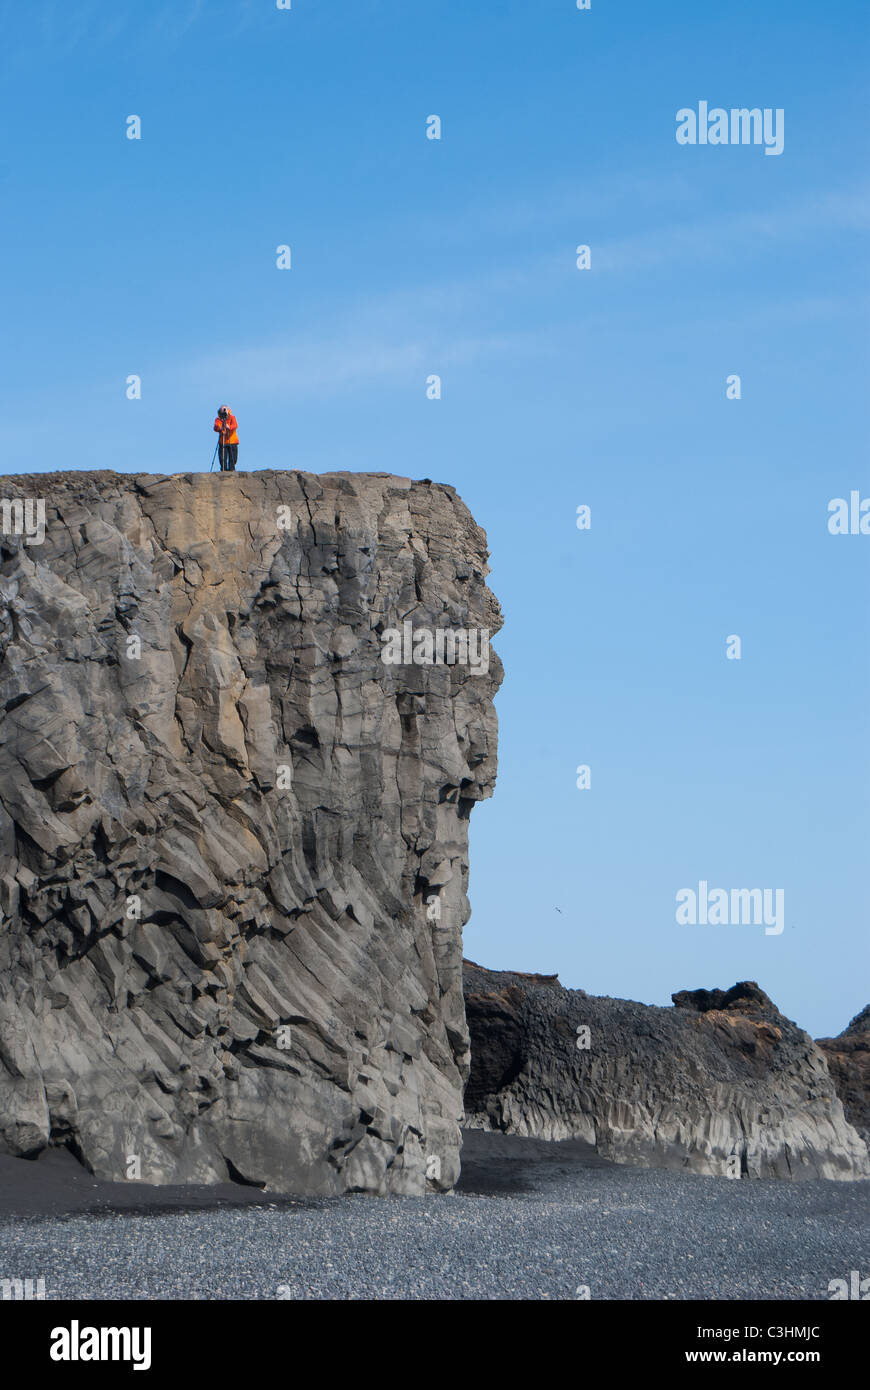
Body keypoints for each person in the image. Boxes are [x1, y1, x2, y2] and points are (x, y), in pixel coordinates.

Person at [213, 405, 239, 471]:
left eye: (225, 410)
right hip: (222, 442)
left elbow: (235, 425)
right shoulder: (218, 419)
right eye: (222, 410)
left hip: (232, 441)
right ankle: (223, 470)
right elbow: (216, 427)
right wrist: (220, 428)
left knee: (233, 458)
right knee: (222, 458)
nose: (223, 413)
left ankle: (231, 470)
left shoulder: (232, 417)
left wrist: (229, 427)